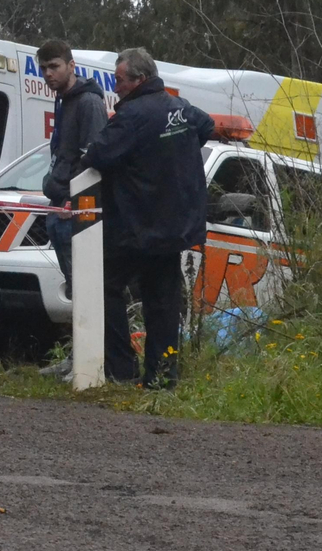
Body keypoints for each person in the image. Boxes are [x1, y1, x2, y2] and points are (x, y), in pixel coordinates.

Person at [81, 48, 214, 388]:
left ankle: (122, 370)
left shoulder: (133, 116)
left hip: (136, 226)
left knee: (105, 288)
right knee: (164, 303)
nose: (116, 87)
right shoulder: (181, 109)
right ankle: (162, 376)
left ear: (139, 79)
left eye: (119, 80)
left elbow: (98, 154)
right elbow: (207, 125)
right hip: (174, 228)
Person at [36, 39, 110, 297]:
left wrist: (72, 200)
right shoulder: (64, 100)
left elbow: (93, 158)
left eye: (54, 66)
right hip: (58, 207)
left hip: (74, 211)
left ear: (71, 65)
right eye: (43, 68)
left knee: (86, 292)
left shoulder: (88, 102)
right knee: (75, 289)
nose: (48, 74)